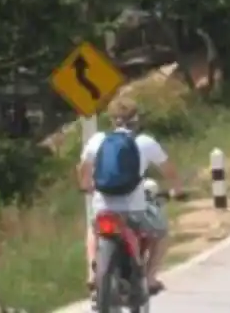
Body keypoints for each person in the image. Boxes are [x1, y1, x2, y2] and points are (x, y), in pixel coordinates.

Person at [78, 98, 185, 303]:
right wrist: (177, 190)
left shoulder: (97, 139)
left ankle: (92, 273)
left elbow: (83, 167)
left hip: (103, 207)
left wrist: (86, 186)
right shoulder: (145, 142)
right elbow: (169, 170)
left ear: (112, 119)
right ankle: (150, 278)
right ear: (136, 119)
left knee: (93, 228)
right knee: (161, 233)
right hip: (133, 210)